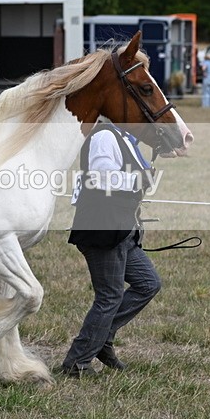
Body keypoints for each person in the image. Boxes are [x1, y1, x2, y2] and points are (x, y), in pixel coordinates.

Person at [61, 120, 161, 378]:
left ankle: (101, 338)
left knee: (148, 283)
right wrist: (141, 178)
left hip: (123, 230)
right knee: (109, 296)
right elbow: (102, 178)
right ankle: (77, 362)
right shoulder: (104, 137)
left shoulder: (126, 138)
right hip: (103, 230)